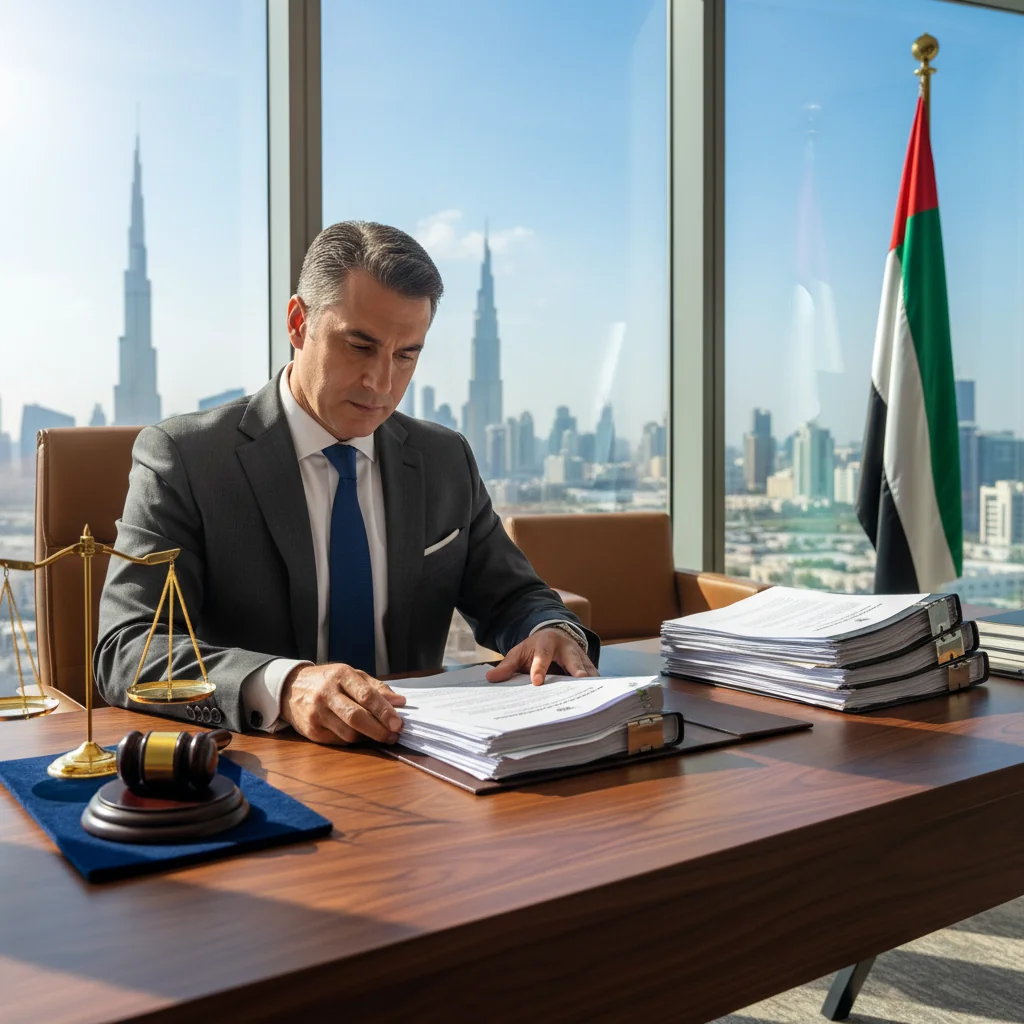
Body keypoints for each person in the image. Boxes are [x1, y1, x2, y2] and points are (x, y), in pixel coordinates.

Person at [96, 220, 598, 746]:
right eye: (360, 346)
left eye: (407, 355)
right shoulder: (186, 458)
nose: (382, 383)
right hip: (264, 767)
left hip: (427, 757)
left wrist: (548, 629)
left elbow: (513, 596)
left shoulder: (445, 458)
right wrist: (283, 683)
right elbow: (126, 648)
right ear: (298, 323)